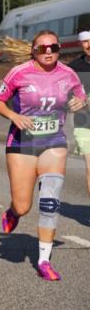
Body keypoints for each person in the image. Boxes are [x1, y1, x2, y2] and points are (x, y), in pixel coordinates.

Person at [0, 30, 87, 281]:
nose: (48, 52)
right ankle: (13, 212)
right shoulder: (19, 72)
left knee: (50, 203)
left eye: (53, 47)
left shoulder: (68, 74)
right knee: (23, 205)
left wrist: (81, 102)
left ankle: (44, 261)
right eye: (42, 48)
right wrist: (13, 116)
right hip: (22, 143)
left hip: (54, 143)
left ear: (59, 49)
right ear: (33, 51)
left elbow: (80, 95)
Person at [69, 30, 90, 197]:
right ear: (80, 44)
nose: (89, 45)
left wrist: (86, 101)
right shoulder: (74, 67)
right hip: (84, 124)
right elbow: (65, 93)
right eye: (85, 41)